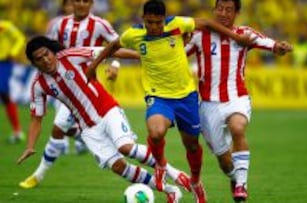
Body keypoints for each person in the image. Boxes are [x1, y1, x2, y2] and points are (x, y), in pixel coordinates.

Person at [86, 1, 253, 202]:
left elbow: (207, 24)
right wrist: (94, 65)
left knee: (192, 146)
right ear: (143, 19)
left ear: (164, 19)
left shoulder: (177, 25)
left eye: (158, 22)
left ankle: (196, 182)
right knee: (156, 132)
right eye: (149, 22)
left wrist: (235, 37)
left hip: (186, 96)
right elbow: (112, 45)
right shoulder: (134, 34)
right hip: (158, 96)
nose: (154, 27)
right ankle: (161, 166)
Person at [17, 36, 191, 203]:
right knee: (118, 167)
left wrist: (143, 56)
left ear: (52, 51)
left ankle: (175, 173)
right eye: (39, 59)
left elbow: (109, 51)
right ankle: (171, 191)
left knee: (125, 147)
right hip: (87, 128)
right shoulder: (39, 84)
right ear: (34, 63)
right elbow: (36, 119)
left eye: (46, 53)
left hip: (107, 109)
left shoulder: (71, 56)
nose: (45, 60)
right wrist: (30, 146)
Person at [19, 0, 136, 189]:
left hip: (85, 85)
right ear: (71, 3)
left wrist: (115, 66)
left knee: (58, 128)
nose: (81, 4)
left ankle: (38, 175)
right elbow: (44, 49)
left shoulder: (100, 24)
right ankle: (98, 139)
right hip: (60, 84)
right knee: (63, 129)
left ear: (91, 3)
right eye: (77, 0)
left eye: (85, 1)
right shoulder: (59, 24)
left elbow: (116, 44)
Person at [185, 0, 292, 201]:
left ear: (237, 13)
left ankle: (242, 184)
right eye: (220, 9)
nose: (223, 13)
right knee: (225, 163)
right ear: (214, 10)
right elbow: (178, 55)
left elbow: (268, 43)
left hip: (237, 97)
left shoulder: (245, 33)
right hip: (208, 105)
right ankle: (235, 178)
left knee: (238, 128)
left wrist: (279, 46)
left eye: (229, 10)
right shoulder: (200, 35)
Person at [0, 19, 26, 144]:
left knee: (3, 91)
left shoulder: (5, 26)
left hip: (4, 63)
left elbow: (20, 38)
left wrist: (13, 52)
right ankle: (17, 131)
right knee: (5, 96)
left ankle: (17, 130)